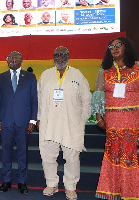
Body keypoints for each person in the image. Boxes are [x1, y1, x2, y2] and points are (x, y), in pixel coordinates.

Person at [37, 46, 92, 200]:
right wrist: (39, 118)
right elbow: (39, 99)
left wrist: (82, 120)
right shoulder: (46, 75)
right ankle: (51, 183)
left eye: (63, 54)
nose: (59, 57)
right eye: (56, 55)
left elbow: (86, 99)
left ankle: (70, 186)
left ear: (68, 56)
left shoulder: (77, 74)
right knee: (48, 155)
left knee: (72, 157)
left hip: (71, 124)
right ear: (53, 57)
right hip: (49, 123)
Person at [93, 37, 139, 199]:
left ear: (127, 47)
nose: (115, 48)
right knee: (114, 153)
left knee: (131, 154)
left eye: (118, 45)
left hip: (134, 119)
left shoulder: (137, 67)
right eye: (111, 47)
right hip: (112, 120)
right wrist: (98, 117)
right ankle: (114, 191)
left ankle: (132, 192)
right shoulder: (105, 70)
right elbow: (98, 95)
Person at [0, 51, 38, 194]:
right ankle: (6, 181)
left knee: (22, 153)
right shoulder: (0, 78)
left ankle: (22, 182)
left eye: (14, 58)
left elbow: (34, 100)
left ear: (21, 60)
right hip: (5, 121)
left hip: (24, 121)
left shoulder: (30, 77)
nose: (11, 60)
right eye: (9, 58)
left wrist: (33, 120)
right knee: (6, 153)